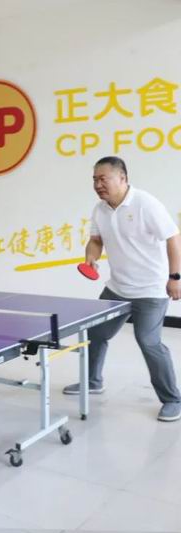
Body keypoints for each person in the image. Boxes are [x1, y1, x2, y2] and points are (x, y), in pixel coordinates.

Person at [63, 156, 181, 422]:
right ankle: (93, 381)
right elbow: (96, 240)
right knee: (95, 332)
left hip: (150, 290)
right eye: (94, 179)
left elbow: (173, 238)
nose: (97, 185)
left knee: (148, 341)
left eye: (103, 179)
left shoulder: (146, 204)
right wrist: (91, 256)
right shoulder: (100, 209)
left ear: (123, 178)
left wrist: (175, 277)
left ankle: (173, 399)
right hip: (117, 288)